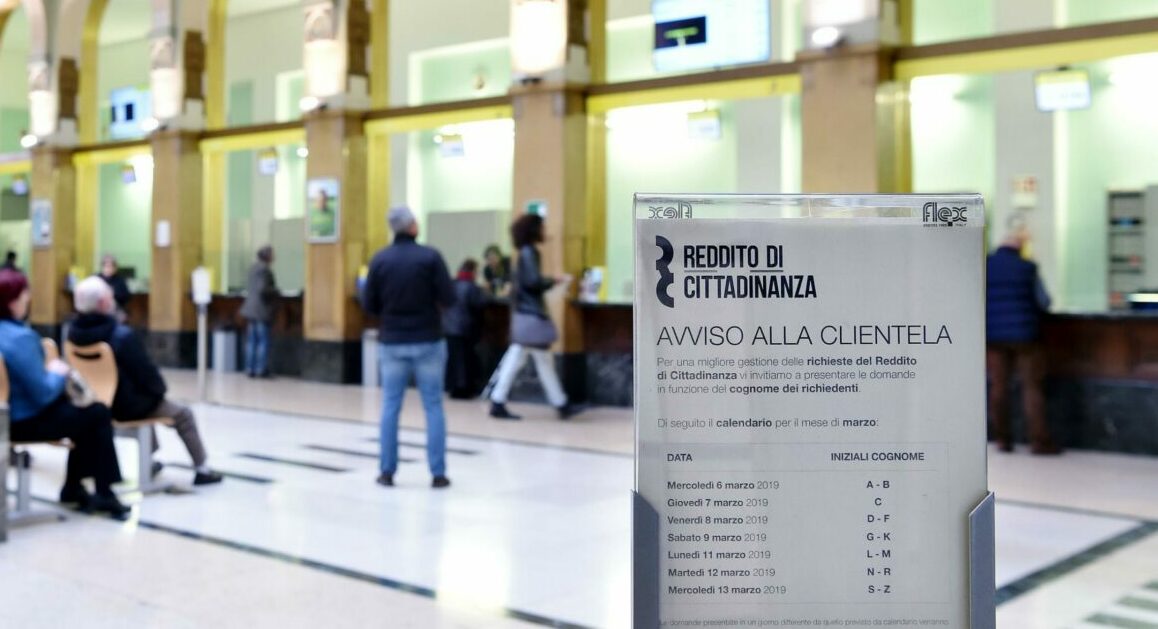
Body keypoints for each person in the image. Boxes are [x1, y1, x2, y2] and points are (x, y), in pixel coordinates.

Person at [68, 277, 224, 485]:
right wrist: (159, 392)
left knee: (146, 400)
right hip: (126, 406)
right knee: (182, 414)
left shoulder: (72, 335)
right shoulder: (121, 336)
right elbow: (148, 376)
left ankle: (150, 459)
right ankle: (202, 468)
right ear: (104, 303)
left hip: (96, 403)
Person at [0, 269, 130, 518]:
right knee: (97, 413)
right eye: (24, 296)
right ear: (12, 301)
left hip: (4, 417)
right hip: (23, 421)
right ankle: (104, 491)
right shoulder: (21, 338)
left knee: (82, 416)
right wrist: (57, 372)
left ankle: (75, 487)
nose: (27, 300)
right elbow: (43, 393)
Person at [362, 207, 455, 489]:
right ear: (412, 227)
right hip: (428, 339)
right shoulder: (431, 257)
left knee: (391, 406)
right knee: (433, 406)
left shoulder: (380, 260)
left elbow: (369, 304)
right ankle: (437, 473)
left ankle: (387, 471)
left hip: (392, 342)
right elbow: (448, 297)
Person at [487, 213, 580, 421]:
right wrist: (554, 280)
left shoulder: (524, 252)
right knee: (528, 357)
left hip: (525, 313)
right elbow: (532, 281)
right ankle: (559, 403)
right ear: (534, 230)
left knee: (534, 358)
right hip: (532, 314)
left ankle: (559, 402)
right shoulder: (530, 252)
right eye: (542, 227)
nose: (545, 231)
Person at [986, 216, 1060, 455]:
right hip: (1025, 337)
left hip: (993, 336)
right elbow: (1044, 301)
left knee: (999, 386)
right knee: (1031, 387)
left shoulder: (984, 264)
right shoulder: (1028, 268)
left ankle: (1002, 439)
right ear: (1021, 246)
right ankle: (1039, 441)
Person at [443, 259, 487, 399]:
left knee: (454, 359)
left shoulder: (451, 284)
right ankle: (464, 389)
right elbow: (479, 305)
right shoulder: (472, 287)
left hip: (449, 327)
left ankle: (452, 387)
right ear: (473, 271)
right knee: (465, 360)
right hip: (465, 327)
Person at [240, 245, 279, 378]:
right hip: (261, 310)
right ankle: (260, 369)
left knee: (252, 341)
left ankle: (250, 368)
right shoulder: (265, 270)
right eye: (272, 254)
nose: (274, 256)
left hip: (251, 309)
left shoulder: (253, 268)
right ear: (267, 256)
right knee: (263, 341)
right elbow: (263, 289)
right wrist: (275, 290)